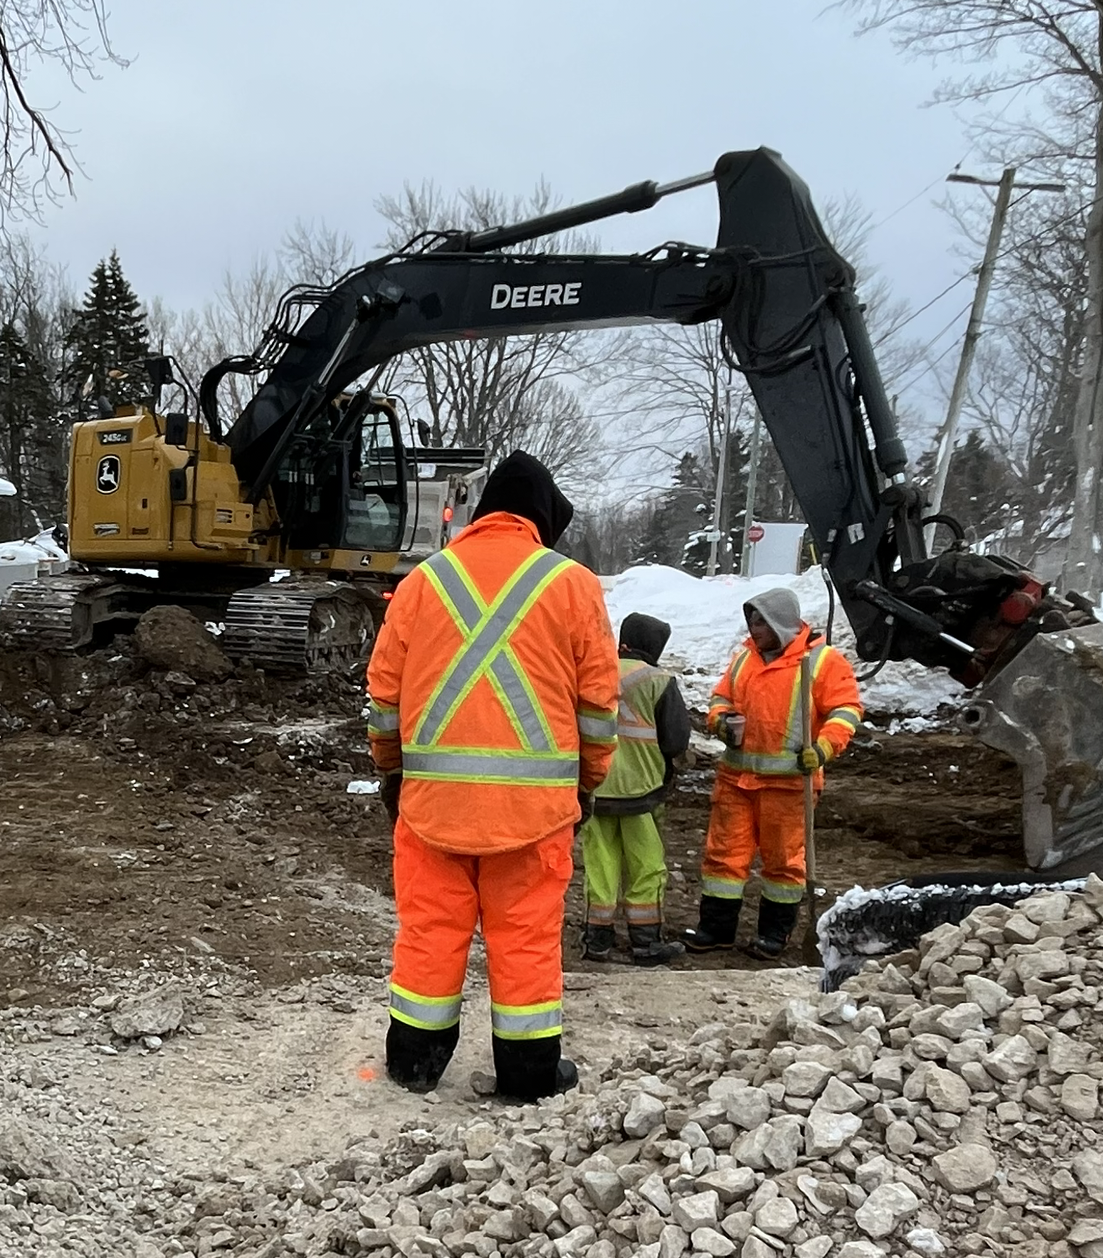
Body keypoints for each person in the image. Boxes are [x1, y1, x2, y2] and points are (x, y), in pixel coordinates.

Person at [364, 450, 619, 1101]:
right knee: (527, 940)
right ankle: (530, 1076)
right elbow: (597, 708)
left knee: (429, 935)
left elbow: (383, 698)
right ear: (541, 516)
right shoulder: (574, 585)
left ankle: (413, 1066)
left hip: (432, 809)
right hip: (533, 817)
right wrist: (586, 783)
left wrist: (392, 772)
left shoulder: (424, 581)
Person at [685, 586, 862, 959]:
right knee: (722, 859)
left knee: (783, 865)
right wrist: (721, 722)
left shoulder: (822, 662)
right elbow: (720, 699)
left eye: (761, 619)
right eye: (751, 618)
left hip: (788, 785)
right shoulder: (744, 660)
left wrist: (824, 748)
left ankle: (773, 935)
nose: (754, 626)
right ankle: (715, 930)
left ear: (780, 622)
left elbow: (846, 711)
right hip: (737, 780)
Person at [580, 612, 692, 967]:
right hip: (640, 793)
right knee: (646, 866)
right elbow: (676, 740)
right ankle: (646, 942)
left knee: (600, 865)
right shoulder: (658, 680)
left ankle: (597, 940)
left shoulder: (594, 672)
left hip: (596, 787)